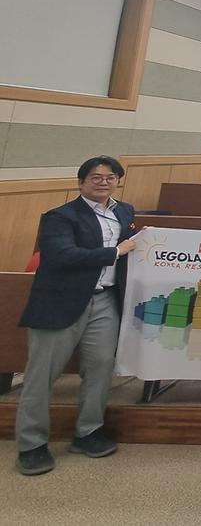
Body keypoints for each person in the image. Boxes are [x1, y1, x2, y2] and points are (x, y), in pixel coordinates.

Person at [15, 156, 140, 477]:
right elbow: (61, 256)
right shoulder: (60, 216)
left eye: (110, 177)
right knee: (42, 375)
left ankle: (88, 432)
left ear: (118, 181)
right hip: (60, 302)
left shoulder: (125, 212)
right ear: (81, 182)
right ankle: (31, 444)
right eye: (96, 177)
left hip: (105, 301)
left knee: (100, 368)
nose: (103, 182)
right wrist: (116, 252)